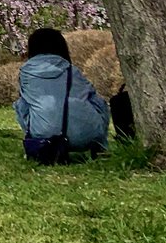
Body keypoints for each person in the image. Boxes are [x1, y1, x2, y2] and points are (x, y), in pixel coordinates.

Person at [14, 27, 110, 163]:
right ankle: (100, 147)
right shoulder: (72, 71)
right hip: (86, 136)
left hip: (44, 135)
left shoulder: (26, 73)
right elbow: (95, 100)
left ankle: (34, 144)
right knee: (99, 102)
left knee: (22, 104)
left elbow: (24, 106)